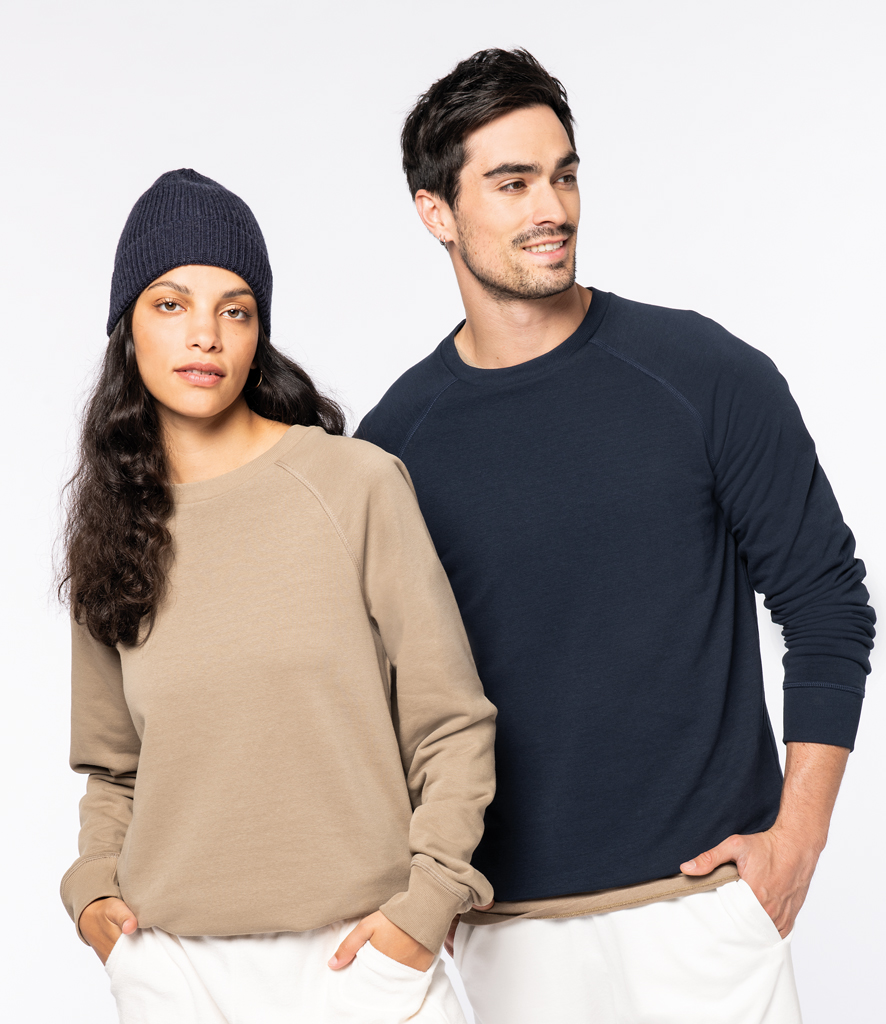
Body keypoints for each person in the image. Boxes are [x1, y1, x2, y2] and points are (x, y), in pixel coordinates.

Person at [355, 49, 876, 1024]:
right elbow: (377, 695)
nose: (550, 207)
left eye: (563, 175)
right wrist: (424, 882)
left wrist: (797, 838)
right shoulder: (392, 449)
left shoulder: (704, 374)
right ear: (436, 212)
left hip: (704, 916)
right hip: (510, 936)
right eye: (512, 183)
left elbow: (827, 605)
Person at [59, 168, 496, 1024]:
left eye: (235, 310)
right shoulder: (114, 527)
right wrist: (94, 895)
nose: (205, 335)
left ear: (259, 332)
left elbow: (450, 722)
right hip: (178, 973)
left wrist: (427, 904)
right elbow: (113, 770)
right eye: (171, 304)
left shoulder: (353, 485)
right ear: (127, 328)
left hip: (358, 962)